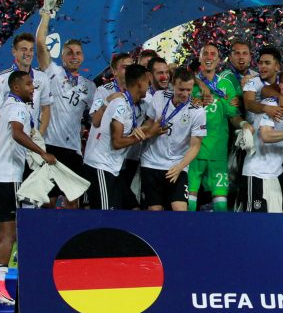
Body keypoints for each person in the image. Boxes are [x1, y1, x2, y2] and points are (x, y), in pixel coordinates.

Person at [0, 71, 56, 305]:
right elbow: (16, 133)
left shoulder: (7, 105)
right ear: (15, 87)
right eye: (28, 84)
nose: (32, 88)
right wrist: (42, 152)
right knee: (9, 232)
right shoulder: (18, 108)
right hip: (7, 175)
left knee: (4, 229)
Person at [35, 0, 96, 208]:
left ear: (83, 57)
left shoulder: (90, 87)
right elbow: (40, 44)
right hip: (50, 145)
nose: (74, 56)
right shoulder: (53, 72)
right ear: (62, 56)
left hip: (73, 150)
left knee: (73, 202)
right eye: (69, 52)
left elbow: (95, 119)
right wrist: (46, 15)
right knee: (48, 202)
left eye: (78, 53)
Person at [81, 64, 154, 210]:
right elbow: (117, 142)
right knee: (104, 217)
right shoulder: (120, 104)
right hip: (100, 166)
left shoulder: (130, 104)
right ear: (140, 82)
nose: (149, 86)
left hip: (112, 168)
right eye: (147, 82)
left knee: (116, 214)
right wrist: (142, 136)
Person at [138, 68, 207, 211]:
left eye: (189, 90)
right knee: (154, 212)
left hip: (176, 165)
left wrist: (180, 167)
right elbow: (150, 123)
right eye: (181, 89)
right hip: (151, 163)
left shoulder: (197, 111)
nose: (185, 94)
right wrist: (140, 130)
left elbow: (195, 146)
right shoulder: (159, 96)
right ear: (173, 84)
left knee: (180, 211)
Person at [240, 67, 283, 213]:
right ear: (281, 86)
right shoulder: (270, 105)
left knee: (276, 224)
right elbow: (266, 136)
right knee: (256, 225)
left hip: (275, 175)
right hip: (256, 173)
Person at [187, 43, 243, 212]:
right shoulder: (189, 83)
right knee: (190, 198)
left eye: (213, 54)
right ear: (199, 57)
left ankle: (222, 235)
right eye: (206, 54)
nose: (209, 57)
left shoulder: (226, 85)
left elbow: (233, 115)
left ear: (219, 60)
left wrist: (244, 124)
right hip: (193, 149)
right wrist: (193, 103)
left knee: (220, 199)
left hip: (218, 150)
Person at [0, 34, 53, 137]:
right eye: (24, 50)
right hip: (9, 143)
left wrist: (40, 134)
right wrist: (14, 128)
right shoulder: (1, 78)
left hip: (31, 142)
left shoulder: (42, 78)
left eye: (31, 50)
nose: (28, 53)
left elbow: (45, 109)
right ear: (14, 51)